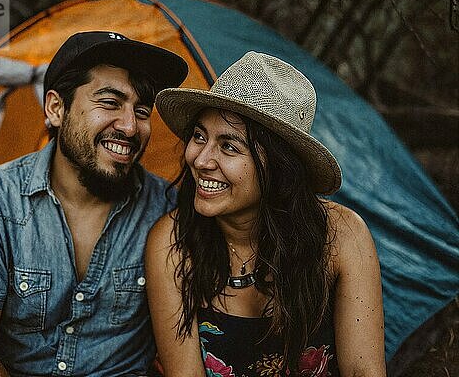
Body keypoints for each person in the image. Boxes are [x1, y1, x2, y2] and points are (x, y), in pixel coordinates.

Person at [0, 31, 188, 376]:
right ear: (56, 108)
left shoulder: (166, 210)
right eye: (110, 102)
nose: (130, 127)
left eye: (142, 111)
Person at [146, 52, 386, 376]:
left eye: (229, 146)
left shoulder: (343, 237)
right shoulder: (173, 244)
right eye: (200, 136)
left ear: (278, 168)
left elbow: (362, 370)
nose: (201, 159)